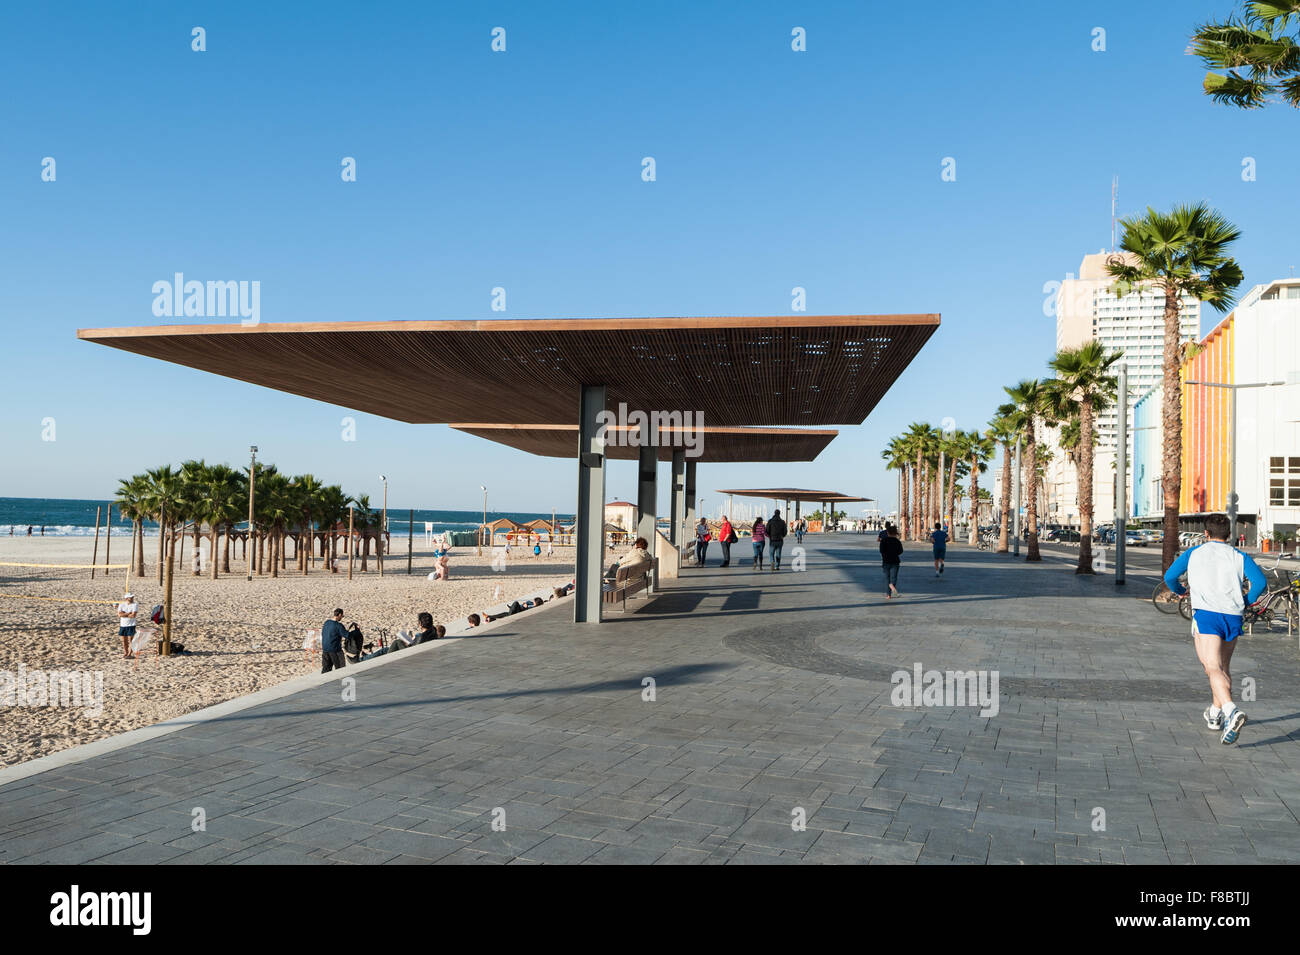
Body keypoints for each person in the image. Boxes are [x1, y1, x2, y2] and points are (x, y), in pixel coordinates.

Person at [1163, 513, 1267, 745]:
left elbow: (1170, 576)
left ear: (1206, 534)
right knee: (1222, 667)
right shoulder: (1238, 555)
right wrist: (1246, 601)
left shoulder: (1193, 553)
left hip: (1207, 614)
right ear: (1229, 534)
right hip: (1232, 615)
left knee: (1211, 666)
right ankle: (1214, 714)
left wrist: (1180, 591)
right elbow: (1260, 583)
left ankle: (1231, 711)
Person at [320, 608, 349, 673]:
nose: (341, 618)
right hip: (335, 650)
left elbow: (323, 633)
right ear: (340, 615)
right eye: (342, 616)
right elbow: (347, 635)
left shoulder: (327, 622)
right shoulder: (338, 625)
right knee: (341, 669)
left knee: (326, 669)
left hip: (325, 649)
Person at [881, 524, 903, 599]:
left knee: (887, 578)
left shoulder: (883, 540)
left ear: (888, 533)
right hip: (895, 561)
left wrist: (886, 554)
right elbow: (900, 551)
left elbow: (881, 550)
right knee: (894, 578)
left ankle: (888, 595)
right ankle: (892, 587)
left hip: (886, 561)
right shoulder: (897, 541)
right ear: (895, 533)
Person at [117, 591, 138, 658]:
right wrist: (128, 613)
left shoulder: (135, 604)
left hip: (131, 624)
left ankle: (129, 654)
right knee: (124, 640)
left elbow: (133, 615)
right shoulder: (122, 604)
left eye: (132, 597)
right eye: (130, 597)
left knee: (131, 640)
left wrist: (124, 614)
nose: (132, 598)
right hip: (123, 625)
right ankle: (125, 652)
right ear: (126, 598)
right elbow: (119, 615)